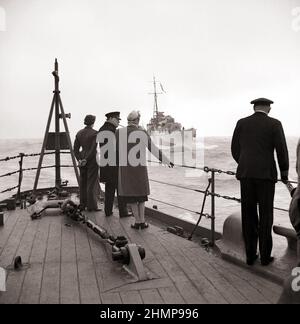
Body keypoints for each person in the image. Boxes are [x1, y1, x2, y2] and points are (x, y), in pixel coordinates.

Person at [231, 98, 289, 266]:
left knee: (248, 215)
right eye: (270, 107)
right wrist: (284, 173)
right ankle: (265, 257)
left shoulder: (242, 123)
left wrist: (244, 163)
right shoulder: (274, 124)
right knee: (266, 216)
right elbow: (282, 151)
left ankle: (250, 255)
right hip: (265, 176)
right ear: (267, 107)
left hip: (246, 175)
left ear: (255, 107)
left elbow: (235, 148)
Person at [117, 110, 174, 229]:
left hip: (125, 168)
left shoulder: (119, 132)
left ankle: (137, 221)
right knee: (141, 195)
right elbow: (152, 149)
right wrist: (166, 160)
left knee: (131, 195)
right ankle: (142, 221)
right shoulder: (141, 132)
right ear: (137, 120)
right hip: (139, 168)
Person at [98, 111, 131, 217]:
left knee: (109, 189)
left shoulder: (101, 129)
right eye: (117, 120)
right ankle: (123, 211)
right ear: (111, 119)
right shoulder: (113, 131)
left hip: (105, 164)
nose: (118, 122)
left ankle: (108, 211)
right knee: (120, 188)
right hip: (115, 164)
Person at [74, 115, 101, 211]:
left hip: (81, 158)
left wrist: (79, 159)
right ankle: (92, 206)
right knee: (91, 183)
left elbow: (75, 149)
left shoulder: (79, 133)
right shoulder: (95, 133)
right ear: (93, 122)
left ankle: (83, 204)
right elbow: (93, 148)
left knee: (83, 182)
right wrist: (87, 159)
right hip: (91, 160)